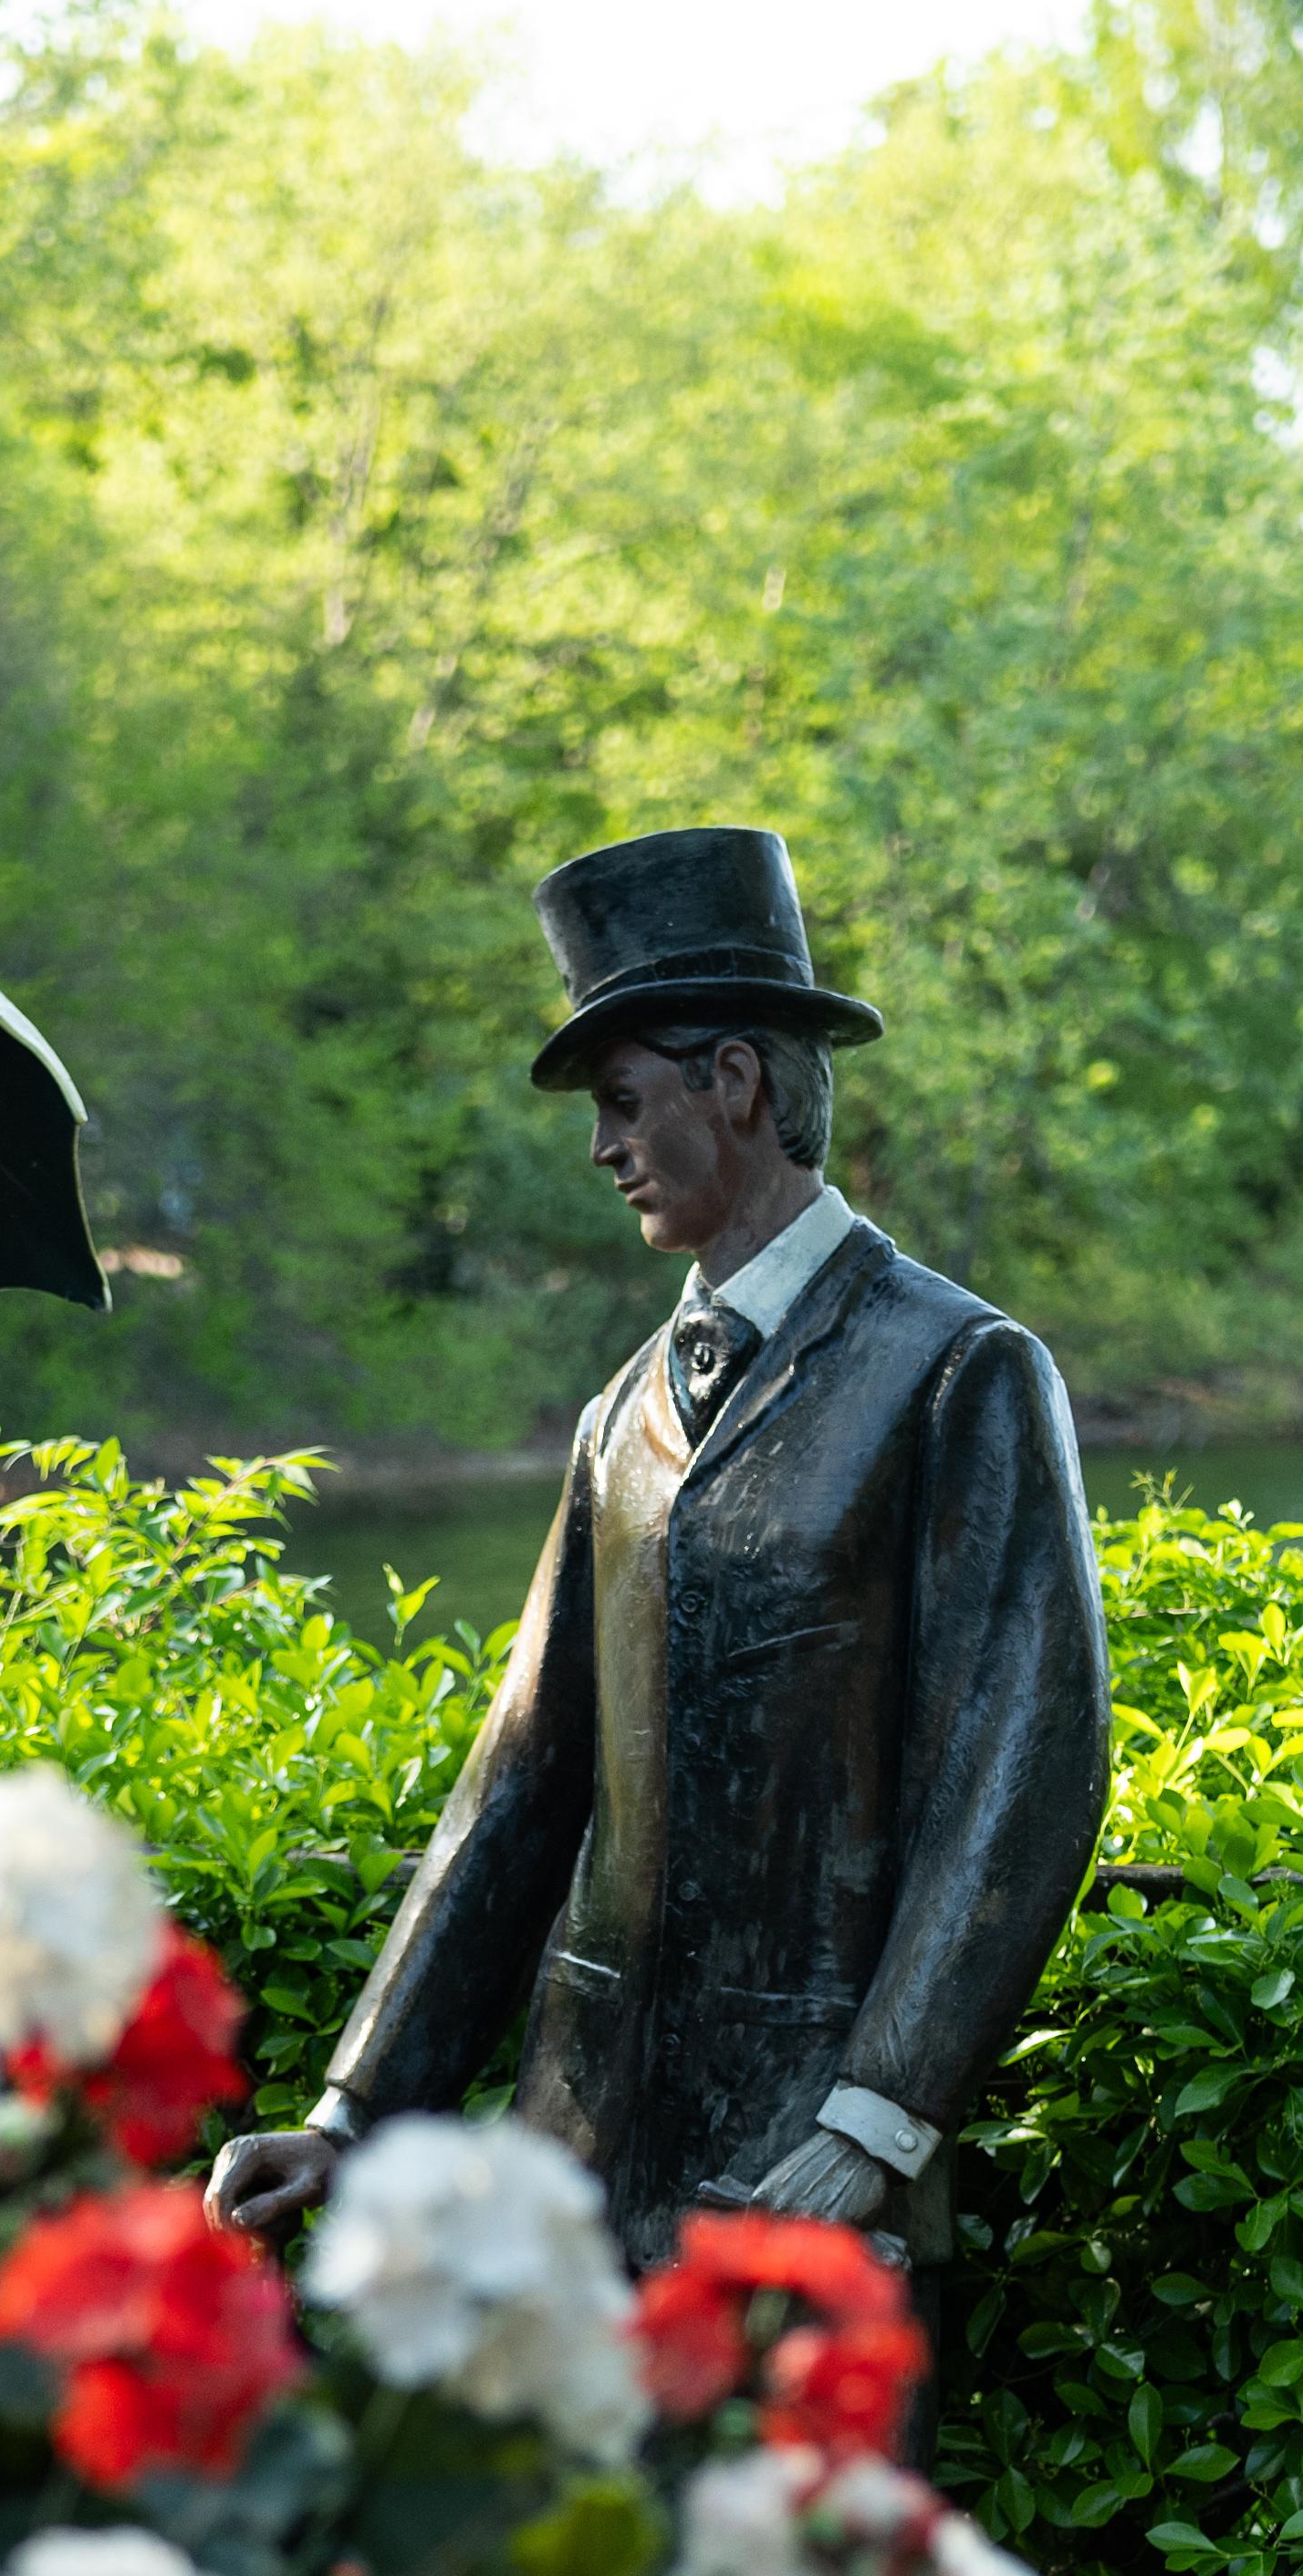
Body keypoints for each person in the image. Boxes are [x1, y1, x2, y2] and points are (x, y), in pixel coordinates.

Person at [208, 828, 1105, 2264]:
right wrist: (353, 2109)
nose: (601, 1148)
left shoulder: (957, 1371)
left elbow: (1025, 1771)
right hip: (577, 2175)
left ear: (734, 1081)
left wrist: (878, 2120)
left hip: (811, 2180)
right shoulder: (615, 1420)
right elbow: (521, 1780)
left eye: (623, 1101)